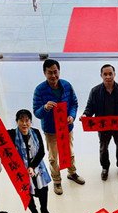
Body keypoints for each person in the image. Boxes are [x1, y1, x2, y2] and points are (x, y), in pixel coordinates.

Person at [32, 58, 85, 195]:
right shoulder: (39, 90)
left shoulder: (67, 85)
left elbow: (74, 103)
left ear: (59, 71)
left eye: (55, 72)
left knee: (69, 153)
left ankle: (72, 173)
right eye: (50, 73)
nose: (53, 75)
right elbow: (36, 113)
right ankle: (56, 181)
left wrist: (72, 116)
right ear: (44, 73)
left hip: (66, 127)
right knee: (53, 157)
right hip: (51, 130)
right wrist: (45, 107)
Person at [81, 64, 118, 181]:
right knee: (103, 148)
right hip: (103, 126)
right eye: (105, 74)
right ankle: (105, 168)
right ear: (101, 75)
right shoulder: (95, 91)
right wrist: (85, 115)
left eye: (110, 74)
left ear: (114, 74)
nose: (108, 77)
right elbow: (90, 107)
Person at [8, 109, 52, 213]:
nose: (24, 123)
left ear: (31, 122)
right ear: (16, 121)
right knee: (27, 193)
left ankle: (44, 209)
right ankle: (34, 212)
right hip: (20, 171)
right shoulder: (12, 134)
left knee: (43, 190)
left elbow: (42, 151)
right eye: (21, 120)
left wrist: (32, 166)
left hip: (37, 168)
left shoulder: (36, 132)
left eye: (27, 120)